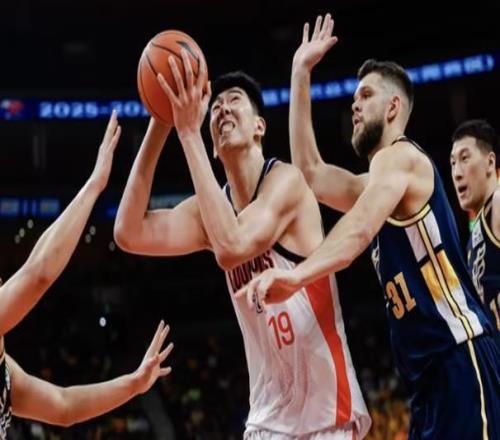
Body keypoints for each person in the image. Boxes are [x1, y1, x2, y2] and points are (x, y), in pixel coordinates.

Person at [238, 14, 500, 439]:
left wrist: (297, 277)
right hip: (427, 380)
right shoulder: (376, 185)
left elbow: (357, 232)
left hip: (460, 357)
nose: (354, 106)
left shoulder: (402, 158)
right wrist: (300, 74)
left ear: (393, 107)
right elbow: (310, 172)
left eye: (366, 95)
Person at [114, 54, 371, 438]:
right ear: (213, 148)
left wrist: (188, 133)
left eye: (234, 100)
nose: (222, 109)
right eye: (215, 106)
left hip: (327, 414)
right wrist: (162, 119)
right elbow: (128, 232)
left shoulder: (287, 181)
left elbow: (232, 246)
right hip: (267, 419)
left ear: (259, 127)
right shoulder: (211, 211)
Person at [0, 112, 173, 438]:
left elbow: (64, 407)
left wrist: (134, 383)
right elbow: (38, 274)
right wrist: (94, 185)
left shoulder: (5, 374)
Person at [450, 119, 500, 333]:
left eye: (464, 158)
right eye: (453, 163)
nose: (457, 172)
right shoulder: (475, 234)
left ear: (490, 162)